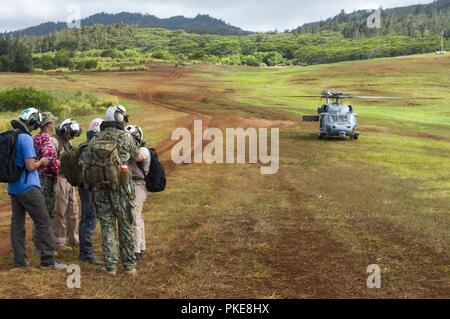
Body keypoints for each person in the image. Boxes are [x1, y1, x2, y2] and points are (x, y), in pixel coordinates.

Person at [83, 105, 140, 276]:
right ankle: (129, 265)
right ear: (119, 118)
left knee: (107, 226)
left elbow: (86, 162)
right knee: (126, 225)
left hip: (101, 189)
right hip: (122, 187)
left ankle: (110, 266)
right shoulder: (125, 137)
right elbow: (136, 155)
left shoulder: (95, 139)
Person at [8, 108, 64, 270]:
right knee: (44, 221)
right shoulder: (25, 138)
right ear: (31, 121)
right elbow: (31, 166)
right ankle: (47, 261)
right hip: (28, 187)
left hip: (14, 187)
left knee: (17, 224)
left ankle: (19, 262)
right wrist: (43, 161)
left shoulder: (12, 135)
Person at [53, 118, 82, 251]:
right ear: (64, 130)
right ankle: (59, 242)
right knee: (60, 212)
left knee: (74, 211)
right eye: (70, 133)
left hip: (69, 180)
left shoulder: (68, 142)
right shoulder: (54, 141)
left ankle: (73, 238)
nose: (71, 137)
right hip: (59, 179)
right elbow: (51, 161)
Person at [77, 118, 103, 265]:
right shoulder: (91, 146)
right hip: (89, 188)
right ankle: (88, 253)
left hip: (86, 187)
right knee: (89, 219)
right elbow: (82, 163)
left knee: (85, 219)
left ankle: (83, 253)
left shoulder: (86, 144)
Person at [32, 112, 59, 249]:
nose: (54, 125)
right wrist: (56, 171)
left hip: (37, 178)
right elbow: (49, 159)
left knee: (38, 213)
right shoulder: (46, 139)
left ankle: (38, 244)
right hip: (47, 180)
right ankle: (44, 247)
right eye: (52, 122)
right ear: (48, 124)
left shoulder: (35, 138)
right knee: (47, 214)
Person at [125, 125, 151, 261]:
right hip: (131, 185)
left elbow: (137, 157)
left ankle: (136, 250)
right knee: (137, 217)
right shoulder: (132, 150)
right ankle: (141, 246)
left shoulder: (144, 150)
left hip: (139, 185)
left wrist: (125, 148)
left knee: (135, 217)